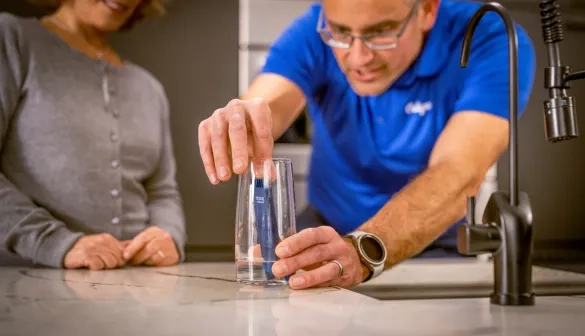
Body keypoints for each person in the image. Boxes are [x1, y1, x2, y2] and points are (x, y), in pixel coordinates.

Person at [198, 0, 536, 289]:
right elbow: (271, 100)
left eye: (382, 32)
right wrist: (245, 117)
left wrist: (364, 249)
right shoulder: (314, 29)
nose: (358, 58)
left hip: (433, 242)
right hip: (320, 229)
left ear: (428, 9)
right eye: (341, 33)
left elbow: (461, 171)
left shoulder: (490, 38)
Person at [0, 0, 187, 270]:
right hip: (28, 286)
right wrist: (57, 243)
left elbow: (162, 190)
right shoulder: (12, 39)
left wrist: (169, 234)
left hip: (138, 290)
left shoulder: (149, 88)